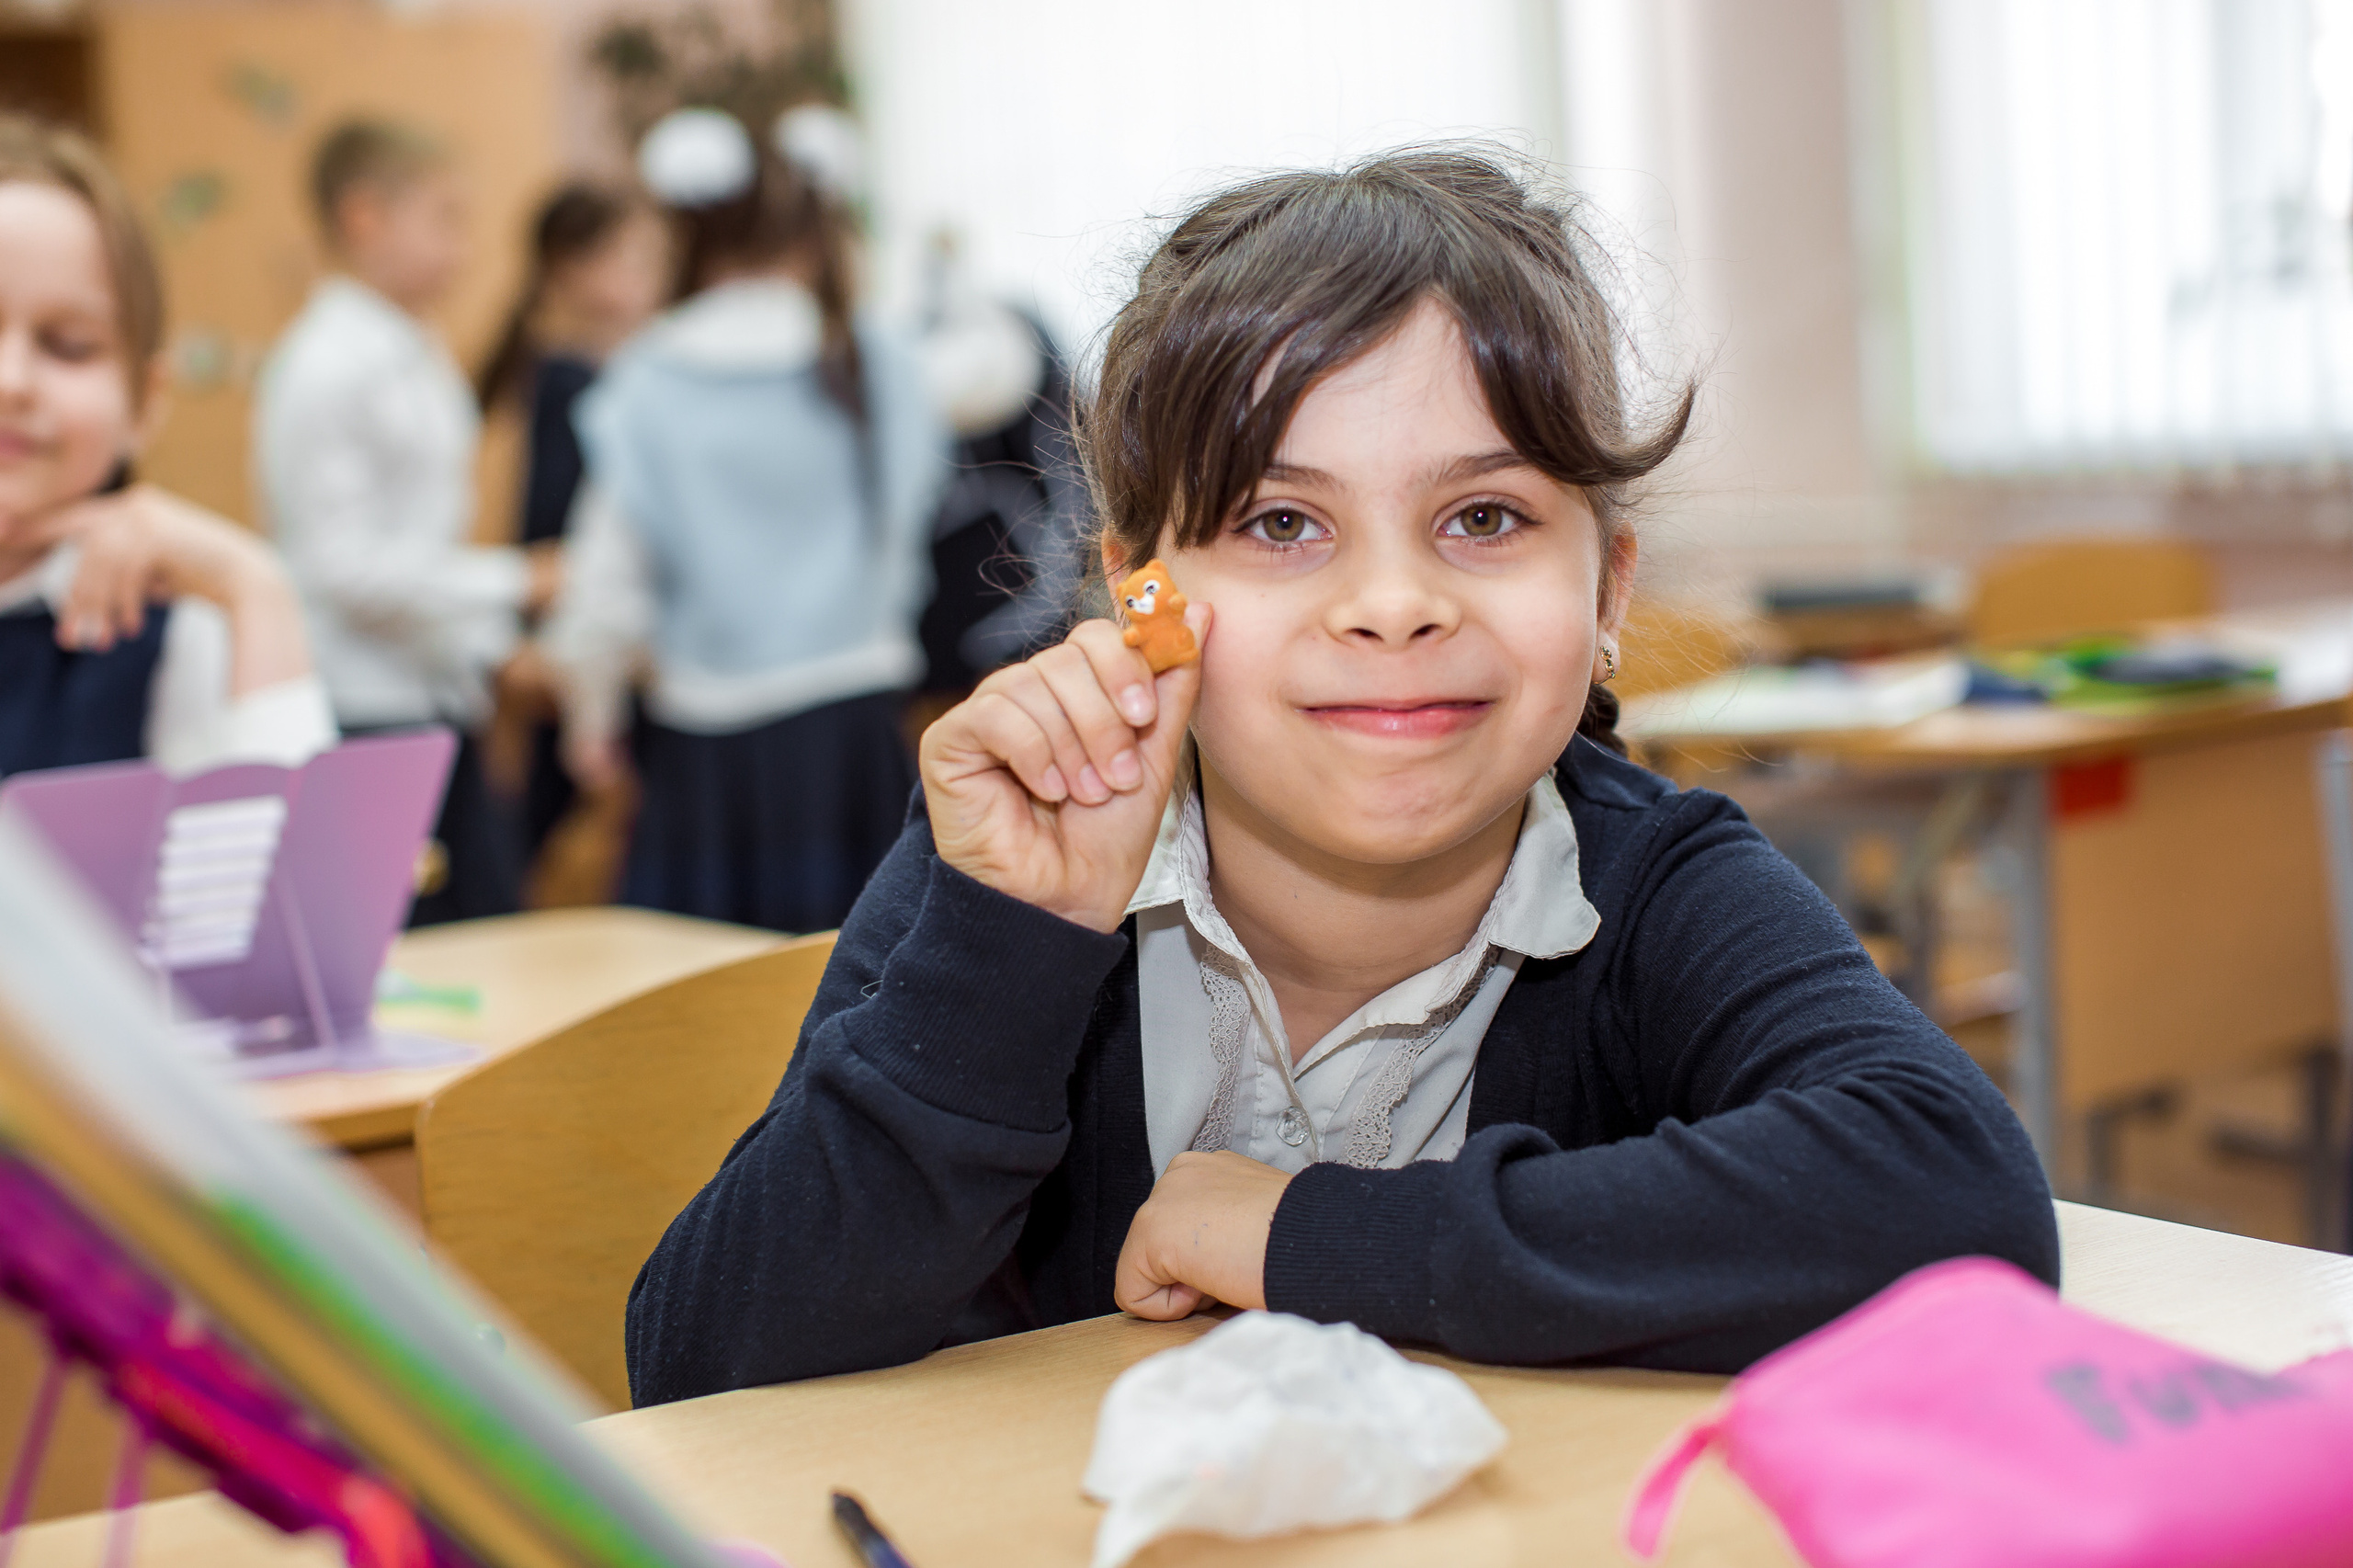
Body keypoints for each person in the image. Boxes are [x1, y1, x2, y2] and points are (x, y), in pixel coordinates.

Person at [623, 148, 2058, 1405]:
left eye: (1484, 514)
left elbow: (1956, 1195)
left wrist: (1296, 1231)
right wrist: (1014, 946)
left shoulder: (1652, 879)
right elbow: (705, 1366)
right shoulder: (1018, 855)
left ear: (1608, 588)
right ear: (1141, 594)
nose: (1391, 601)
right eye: (1283, 521)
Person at [541, 108, 946, 932]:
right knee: (867, 983)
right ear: (818, 226)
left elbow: (606, 588)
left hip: (708, 749)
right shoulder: (877, 360)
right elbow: (911, 518)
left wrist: (593, 717)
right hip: (857, 734)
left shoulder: (647, 378)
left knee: (713, 1010)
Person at [255, 119, 553, 925]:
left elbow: (420, 545)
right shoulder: (322, 365)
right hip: (362, 709)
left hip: (430, 693)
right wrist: (517, 580)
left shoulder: (411, 345)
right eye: (444, 218)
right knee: (399, 942)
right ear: (364, 217)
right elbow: (342, 567)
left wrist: (489, 651)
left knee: (489, 926)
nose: (462, 247)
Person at [0, 115, 333, 780]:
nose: (11, 382)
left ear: (146, 402)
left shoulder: (175, 637)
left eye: (69, 346)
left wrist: (255, 589)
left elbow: (298, 879)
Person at [475, 181, 669, 865]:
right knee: (566, 823)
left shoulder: (615, 372)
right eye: (629, 259)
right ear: (570, 270)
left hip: (592, 625)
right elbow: (548, 525)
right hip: (572, 628)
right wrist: (548, 641)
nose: (649, 278)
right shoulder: (567, 380)